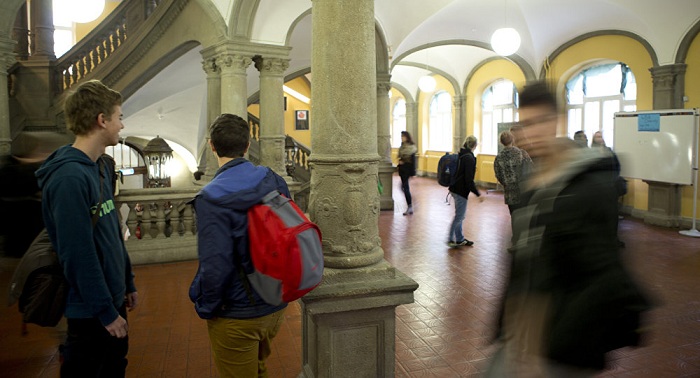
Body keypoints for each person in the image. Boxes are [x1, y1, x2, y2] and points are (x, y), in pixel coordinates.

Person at [487, 81, 651, 377]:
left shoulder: (591, 185)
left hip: (565, 346)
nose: (531, 133)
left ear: (558, 121)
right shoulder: (532, 180)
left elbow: (600, 273)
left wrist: (547, 348)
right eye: (525, 124)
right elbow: (525, 261)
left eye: (540, 121)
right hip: (521, 338)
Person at [35, 80, 138, 376]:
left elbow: (112, 233)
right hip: (90, 309)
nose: (121, 124)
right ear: (102, 120)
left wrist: (127, 282)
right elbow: (77, 254)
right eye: (118, 117)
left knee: (115, 368)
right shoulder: (68, 178)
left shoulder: (102, 166)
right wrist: (105, 311)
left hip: (112, 298)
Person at [189, 113, 290, 377]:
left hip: (237, 312)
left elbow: (216, 265)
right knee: (258, 367)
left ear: (211, 146)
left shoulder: (210, 197)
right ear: (247, 145)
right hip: (275, 301)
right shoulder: (272, 178)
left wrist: (207, 308)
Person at [493, 130, 532, 248]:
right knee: (523, 215)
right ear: (513, 139)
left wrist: (506, 183)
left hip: (509, 191)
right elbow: (530, 168)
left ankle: (516, 238)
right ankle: (523, 239)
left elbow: (498, 174)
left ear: (501, 142)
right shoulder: (521, 153)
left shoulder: (499, 157)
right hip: (523, 189)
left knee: (514, 215)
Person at [447, 135, 483, 248]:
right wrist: (477, 193)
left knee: (460, 215)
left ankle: (460, 239)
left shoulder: (462, 154)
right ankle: (450, 239)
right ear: (475, 145)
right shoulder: (469, 158)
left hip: (454, 188)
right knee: (459, 216)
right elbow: (468, 180)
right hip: (460, 190)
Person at [397, 131, 417, 215]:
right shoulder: (402, 147)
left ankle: (410, 206)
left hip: (407, 170)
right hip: (402, 170)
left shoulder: (411, 148)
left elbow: (413, 162)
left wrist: (413, 173)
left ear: (407, 137)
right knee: (403, 187)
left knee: (405, 188)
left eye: (403, 136)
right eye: (401, 136)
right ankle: (410, 204)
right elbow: (401, 157)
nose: (402, 138)